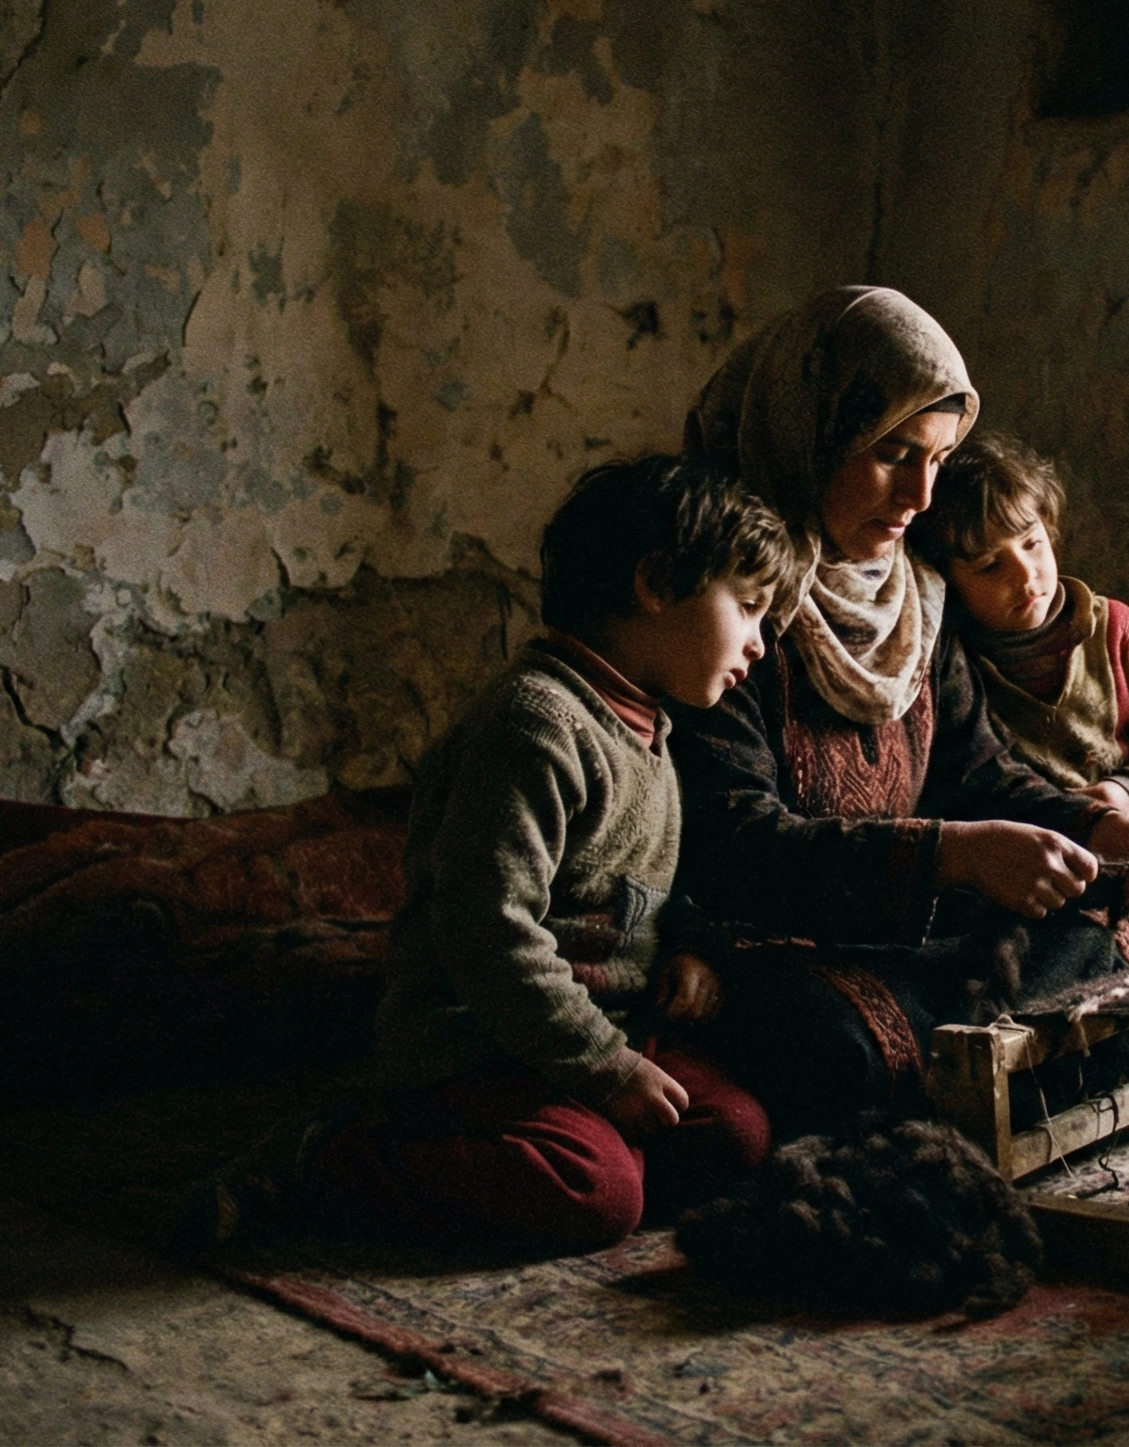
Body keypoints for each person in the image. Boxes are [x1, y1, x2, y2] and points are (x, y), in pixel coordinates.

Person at [187, 456, 799, 1252]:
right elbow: (486, 931)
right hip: (480, 1036)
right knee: (594, 1194)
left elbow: (638, 890)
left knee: (737, 1135)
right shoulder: (536, 725)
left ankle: (560, 1145)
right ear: (655, 584)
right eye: (747, 608)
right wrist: (607, 1072)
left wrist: (686, 951)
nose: (758, 643)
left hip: (595, 1027)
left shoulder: (649, 727)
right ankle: (326, 1161)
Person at [670, 285, 1129, 1136]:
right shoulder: (724, 606)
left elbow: (977, 771)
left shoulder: (916, 600)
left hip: (909, 936)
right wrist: (953, 856)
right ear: (808, 434)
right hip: (772, 948)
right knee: (841, 1046)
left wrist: (1097, 830)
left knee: (1126, 945)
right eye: (892, 453)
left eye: (941, 458)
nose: (920, 493)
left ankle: (977, 1087)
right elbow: (733, 844)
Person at [908, 433, 1129, 951]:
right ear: (946, 581)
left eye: (1031, 542)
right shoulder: (958, 670)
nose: (1025, 574)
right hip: (1057, 873)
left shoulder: (1114, 630)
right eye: (989, 566)